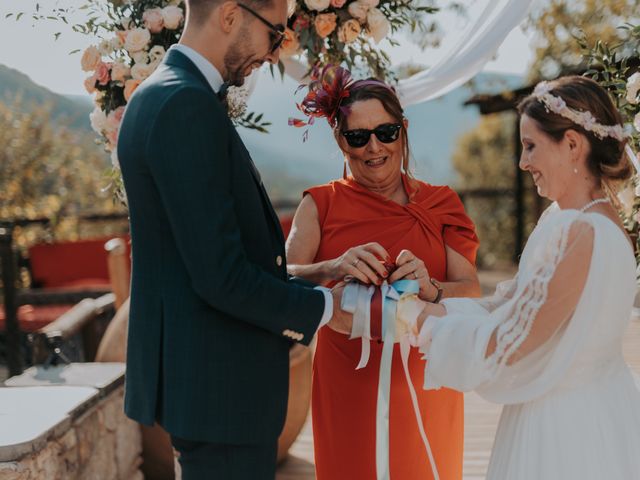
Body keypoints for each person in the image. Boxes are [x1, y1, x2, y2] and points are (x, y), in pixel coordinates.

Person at [116, 1, 345, 478]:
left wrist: (312, 275)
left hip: (207, 389)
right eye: (275, 33)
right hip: (220, 392)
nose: (275, 52)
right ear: (229, 15)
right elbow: (219, 275)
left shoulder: (161, 94)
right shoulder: (184, 103)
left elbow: (193, 255)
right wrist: (326, 308)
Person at [403, 76, 640, 479]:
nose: (522, 162)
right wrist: (438, 301)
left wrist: (426, 325)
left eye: (530, 146)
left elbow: (514, 342)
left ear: (571, 145)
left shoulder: (580, 233)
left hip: (563, 431)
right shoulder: (587, 222)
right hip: (605, 408)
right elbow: (516, 304)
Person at [286, 66, 481, 480]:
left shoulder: (441, 203)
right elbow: (283, 277)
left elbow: (471, 291)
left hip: (429, 378)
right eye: (358, 137)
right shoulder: (320, 204)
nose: (374, 147)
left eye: (386, 132)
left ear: (403, 129)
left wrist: (430, 286)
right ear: (341, 140)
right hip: (347, 383)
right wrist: (332, 266)